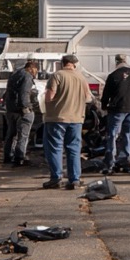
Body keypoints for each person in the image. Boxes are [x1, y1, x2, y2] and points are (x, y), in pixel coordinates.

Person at [43, 53, 91, 191]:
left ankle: (56, 178)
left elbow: (49, 96)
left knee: (55, 147)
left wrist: (49, 105)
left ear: (62, 63)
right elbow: (88, 97)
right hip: (76, 118)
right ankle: (74, 179)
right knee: (74, 148)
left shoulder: (57, 75)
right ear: (75, 64)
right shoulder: (81, 78)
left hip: (57, 117)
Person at [100, 54, 130, 174]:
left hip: (116, 110)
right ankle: (128, 162)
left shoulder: (113, 75)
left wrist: (104, 107)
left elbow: (106, 95)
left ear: (116, 62)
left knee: (112, 136)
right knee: (128, 136)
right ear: (128, 61)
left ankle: (110, 164)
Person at [2, 59, 39, 166]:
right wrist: (27, 107)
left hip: (10, 109)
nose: (35, 73)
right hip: (21, 111)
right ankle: (20, 157)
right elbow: (24, 93)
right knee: (23, 135)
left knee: (11, 134)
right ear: (32, 68)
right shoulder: (27, 76)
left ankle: (7, 156)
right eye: (36, 71)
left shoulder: (15, 74)